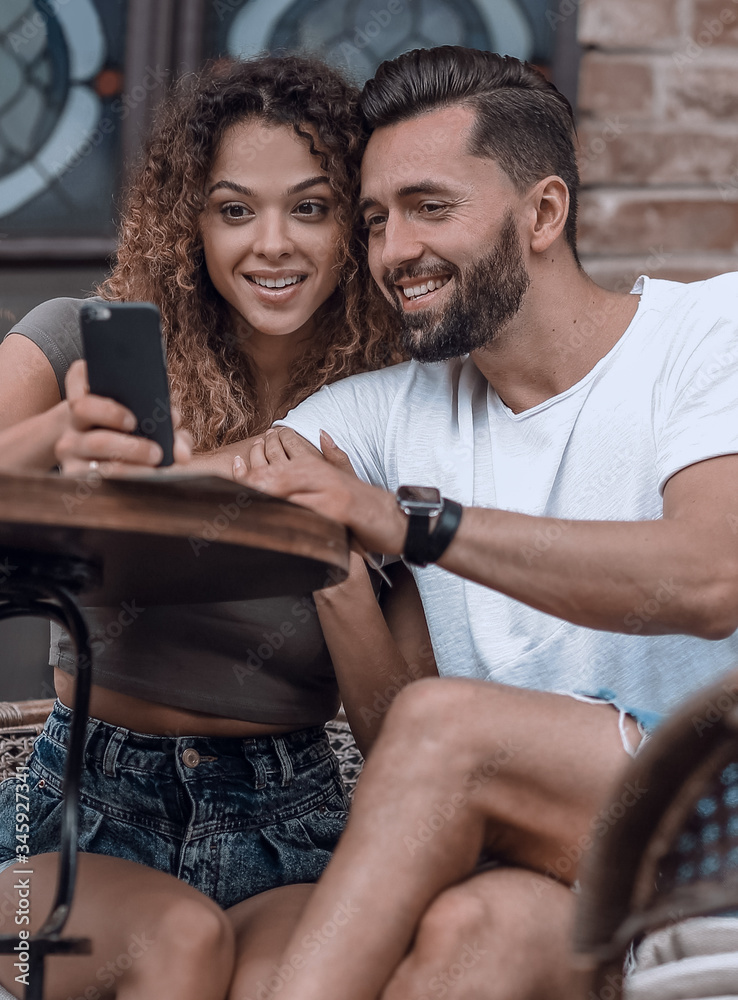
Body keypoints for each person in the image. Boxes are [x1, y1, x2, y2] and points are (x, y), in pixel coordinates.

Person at [214, 46, 738, 1000]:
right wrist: (80, 456)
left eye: (430, 206)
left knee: (445, 725)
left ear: (543, 212)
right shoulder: (388, 411)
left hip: (721, 809)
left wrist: (417, 524)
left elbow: (709, 579)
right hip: (586, 858)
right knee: (474, 931)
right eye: (374, 219)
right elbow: (213, 482)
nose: (391, 251)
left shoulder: (709, 334)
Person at [0, 55, 434, 1000]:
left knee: (290, 980)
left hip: (291, 815)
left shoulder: (401, 419)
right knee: (177, 941)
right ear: (190, 222)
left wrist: (337, 561)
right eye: (235, 209)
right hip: (76, 807)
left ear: (359, 225)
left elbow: (401, 738)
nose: (271, 244)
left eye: (311, 207)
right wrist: (56, 443)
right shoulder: (79, 343)